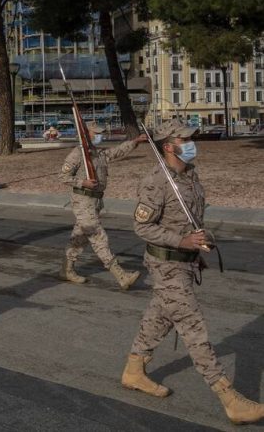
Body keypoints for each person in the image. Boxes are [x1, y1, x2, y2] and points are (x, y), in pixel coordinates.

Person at [122, 119, 263, 425]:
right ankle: (229, 397)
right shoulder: (156, 181)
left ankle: (134, 370)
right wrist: (181, 241)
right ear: (169, 146)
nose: (190, 142)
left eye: (190, 137)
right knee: (193, 327)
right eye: (184, 139)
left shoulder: (190, 176)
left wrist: (198, 245)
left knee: (160, 317)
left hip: (183, 262)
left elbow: (192, 220)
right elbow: (141, 226)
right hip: (165, 266)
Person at [59, 121, 145, 289]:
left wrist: (134, 142)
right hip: (82, 200)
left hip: (95, 201)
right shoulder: (78, 153)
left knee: (80, 237)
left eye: (101, 133)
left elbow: (116, 152)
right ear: (86, 134)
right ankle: (121, 275)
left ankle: (66, 270)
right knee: (98, 236)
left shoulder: (97, 153)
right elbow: (62, 177)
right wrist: (82, 182)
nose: (100, 136)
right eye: (96, 133)